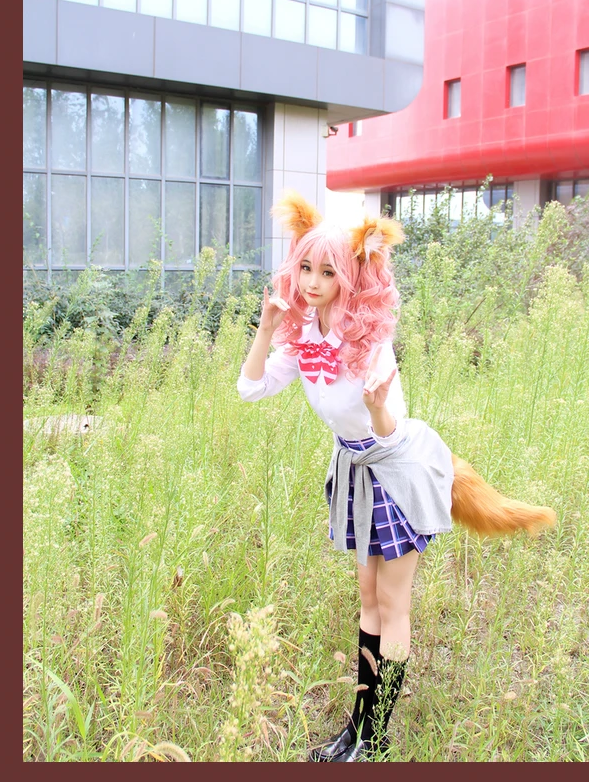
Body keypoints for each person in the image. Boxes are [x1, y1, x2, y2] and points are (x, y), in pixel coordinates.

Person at [237, 190, 555, 762]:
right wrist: (266, 330)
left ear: (350, 275)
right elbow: (251, 388)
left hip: (397, 471)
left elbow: (388, 431)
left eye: (328, 271)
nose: (313, 282)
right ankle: (356, 730)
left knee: (392, 603)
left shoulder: (369, 340)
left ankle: (375, 738)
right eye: (306, 268)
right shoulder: (306, 336)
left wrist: (378, 405)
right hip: (355, 468)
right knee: (366, 600)